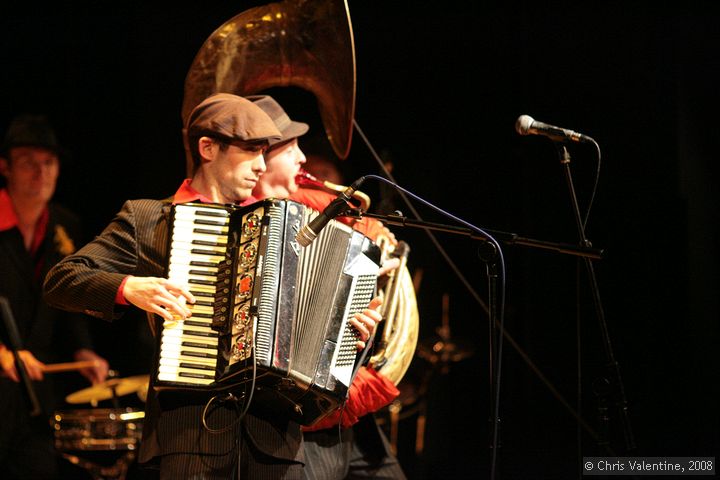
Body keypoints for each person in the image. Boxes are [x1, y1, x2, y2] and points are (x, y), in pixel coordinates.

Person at [43, 93, 385, 480]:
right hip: (191, 434)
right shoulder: (150, 218)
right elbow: (63, 279)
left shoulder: (283, 227)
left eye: (265, 153)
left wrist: (345, 337)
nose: (261, 165)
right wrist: (129, 287)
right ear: (207, 147)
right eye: (251, 151)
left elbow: (312, 330)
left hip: (277, 441)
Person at [248, 94, 407, 479]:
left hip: (345, 403)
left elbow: (347, 282)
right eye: (291, 149)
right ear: (259, 157)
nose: (303, 158)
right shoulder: (237, 223)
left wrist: (358, 325)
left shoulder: (311, 208)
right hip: (288, 424)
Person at [0, 114, 110, 479]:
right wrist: (2, 354)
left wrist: (82, 349)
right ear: (5, 167)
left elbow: (68, 301)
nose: (40, 173)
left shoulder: (64, 225)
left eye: (48, 163)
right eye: (29, 163)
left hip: (36, 396)